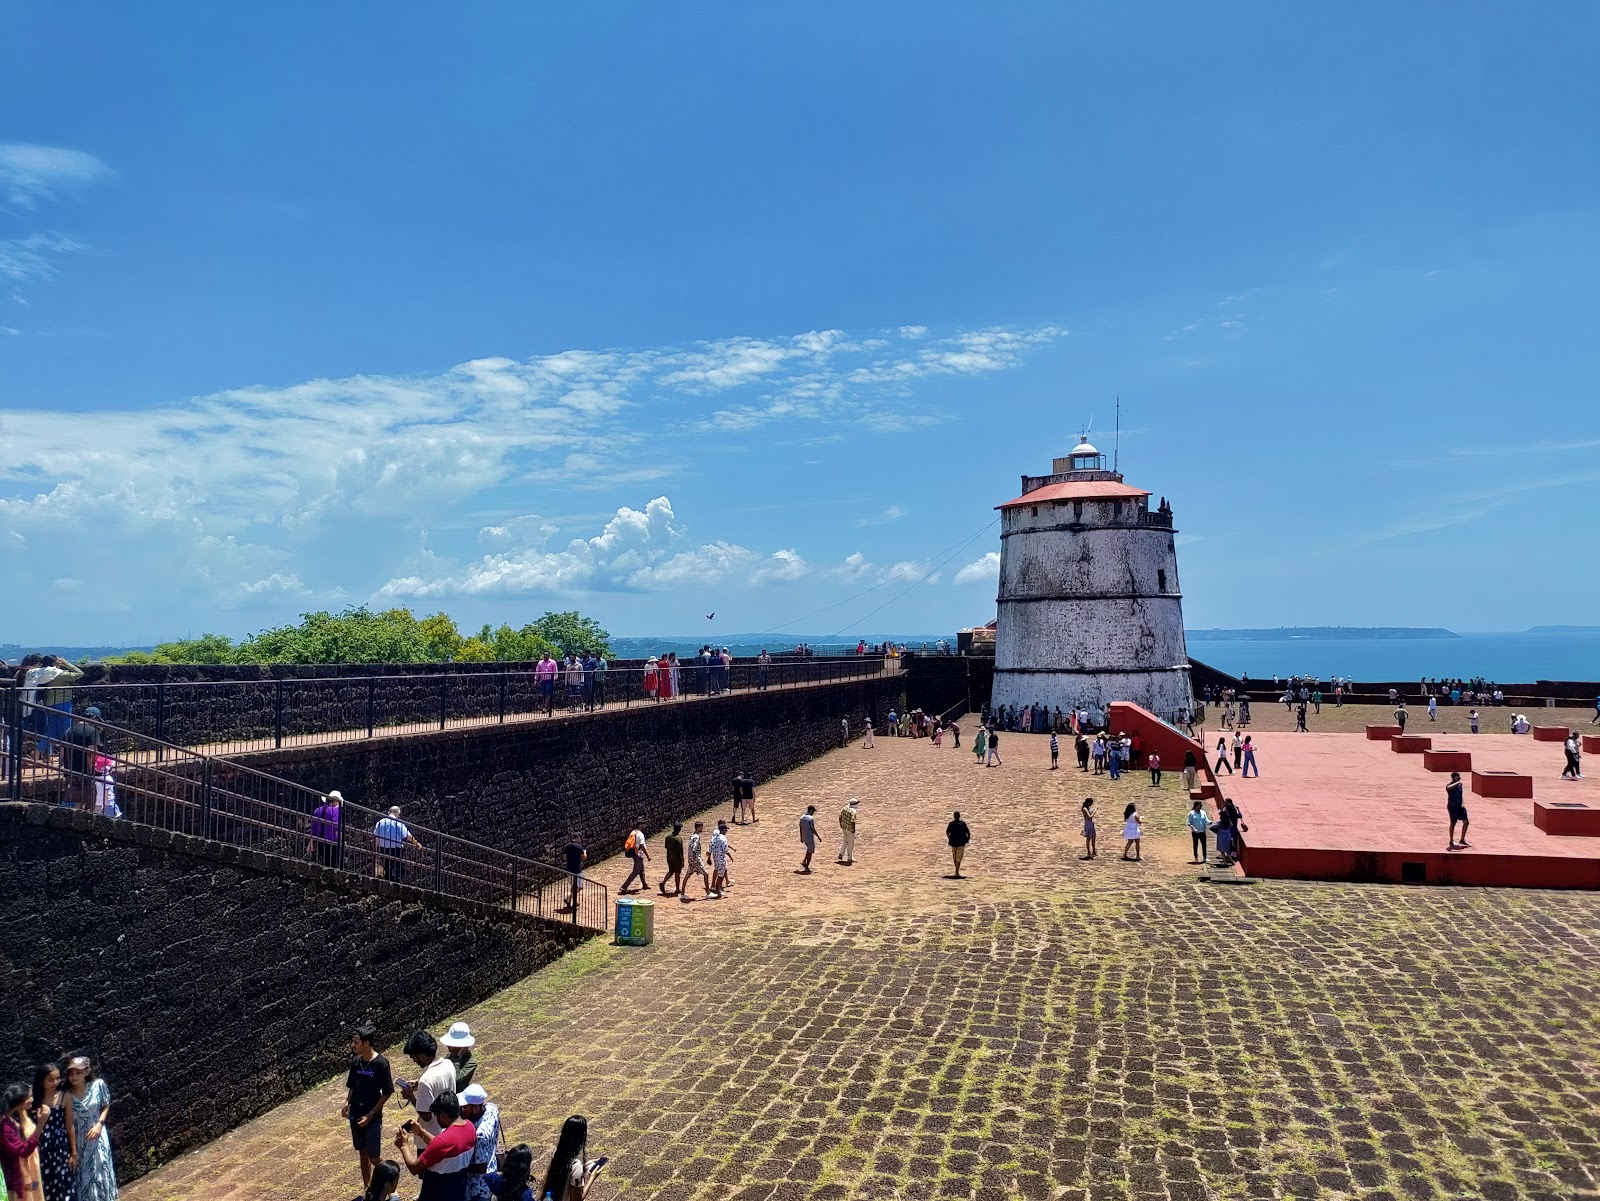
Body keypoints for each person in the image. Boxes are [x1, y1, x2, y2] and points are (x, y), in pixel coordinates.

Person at [396, 1089, 474, 1200]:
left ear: (443, 1115)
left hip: (437, 1192)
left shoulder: (443, 1142)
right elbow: (444, 1149)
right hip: (458, 1190)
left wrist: (403, 1145)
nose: (436, 1119)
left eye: (436, 1116)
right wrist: (421, 1132)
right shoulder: (469, 1127)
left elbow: (414, 1168)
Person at [345, 1023, 395, 1188]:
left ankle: (390, 1181)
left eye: (356, 1042)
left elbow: (387, 1092)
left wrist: (371, 1114)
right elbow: (352, 1085)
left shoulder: (381, 1064)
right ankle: (367, 1188)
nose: (353, 1046)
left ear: (366, 1043)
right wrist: (347, 1103)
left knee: (374, 1158)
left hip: (372, 1117)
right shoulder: (356, 1062)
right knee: (362, 1153)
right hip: (356, 1114)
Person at [64, 1056, 115, 1201]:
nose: (73, 1077)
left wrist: (100, 1124)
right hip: (79, 1138)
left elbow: (106, 1104)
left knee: (101, 1169)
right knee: (84, 1175)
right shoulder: (66, 1095)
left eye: (78, 1073)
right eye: (71, 1073)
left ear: (86, 1072)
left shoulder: (98, 1085)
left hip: (97, 1133)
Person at [397, 1030, 456, 1145]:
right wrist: (418, 1085)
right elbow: (439, 1084)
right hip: (449, 1131)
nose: (413, 1060)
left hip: (429, 1138)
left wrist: (410, 1095)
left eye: (413, 1056)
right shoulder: (448, 1064)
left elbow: (426, 1116)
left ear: (421, 1054)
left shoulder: (426, 1079)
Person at [32, 1063, 72, 1201]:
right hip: (42, 1147)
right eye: (50, 1079)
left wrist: (74, 1153)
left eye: (57, 1078)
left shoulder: (64, 1097)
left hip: (60, 1145)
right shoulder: (34, 1101)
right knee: (45, 1181)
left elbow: (69, 1125)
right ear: (41, 1081)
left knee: (63, 1180)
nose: (55, 1082)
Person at [538, 1115, 603, 1201]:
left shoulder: (557, 1153)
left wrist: (585, 1165)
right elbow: (576, 1199)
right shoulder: (576, 1166)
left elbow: (567, 1168)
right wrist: (592, 1178)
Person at [0, 1082, 43, 1201]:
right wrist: (41, 1124)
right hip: (15, 1179)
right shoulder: (4, 1127)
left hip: (23, 1174)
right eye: (29, 1097)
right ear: (19, 1102)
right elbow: (22, 1151)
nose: (32, 1099)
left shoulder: (10, 1118)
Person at [459, 1084, 501, 1201]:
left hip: (478, 1188)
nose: (461, 1110)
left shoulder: (480, 1135)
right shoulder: (491, 1108)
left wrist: (459, 1168)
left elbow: (480, 1167)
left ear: (475, 1108)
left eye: (465, 1107)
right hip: (492, 1171)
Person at [375, 806, 424, 884]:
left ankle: (388, 881)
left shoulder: (380, 822)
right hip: (395, 849)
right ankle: (396, 882)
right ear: (398, 813)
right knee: (397, 866)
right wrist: (416, 843)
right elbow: (408, 836)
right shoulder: (398, 824)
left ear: (389, 812)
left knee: (387, 866)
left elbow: (376, 837)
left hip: (383, 848)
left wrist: (376, 850)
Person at [310, 789, 346, 868]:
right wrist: (340, 840)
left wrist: (311, 842)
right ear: (336, 801)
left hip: (320, 840)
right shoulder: (336, 811)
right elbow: (336, 827)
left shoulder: (317, 810)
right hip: (332, 842)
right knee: (332, 864)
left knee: (323, 862)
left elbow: (314, 828)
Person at [441, 1023, 479, 1091]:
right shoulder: (451, 1054)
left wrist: (457, 1058)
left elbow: (456, 1078)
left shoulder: (471, 1062)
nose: (448, 1045)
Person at [618, 819, 650, 894]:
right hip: (638, 854)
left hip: (634, 853)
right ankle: (624, 887)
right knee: (636, 871)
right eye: (644, 824)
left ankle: (644, 884)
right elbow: (642, 846)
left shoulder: (633, 832)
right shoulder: (640, 834)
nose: (645, 826)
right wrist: (648, 856)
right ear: (641, 825)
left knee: (641, 870)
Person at [682, 821, 711, 901]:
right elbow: (694, 849)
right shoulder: (697, 837)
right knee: (706, 874)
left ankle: (682, 893)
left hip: (691, 859)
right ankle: (708, 893)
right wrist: (695, 860)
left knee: (687, 875)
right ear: (698, 827)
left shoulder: (692, 835)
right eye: (701, 827)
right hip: (696, 859)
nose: (702, 828)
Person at [561, 834, 587, 915]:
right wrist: (585, 852)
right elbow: (584, 858)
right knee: (580, 887)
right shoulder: (579, 847)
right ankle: (568, 898)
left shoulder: (567, 846)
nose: (580, 840)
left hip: (569, 869)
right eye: (580, 838)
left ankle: (573, 902)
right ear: (577, 838)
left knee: (573, 886)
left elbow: (564, 858)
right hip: (577, 870)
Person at [1446, 771, 1472, 850]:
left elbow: (1461, 795)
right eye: (1457, 777)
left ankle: (1462, 839)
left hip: (1460, 806)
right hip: (1452, 807)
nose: (1458, 779)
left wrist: (1463, 803)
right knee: (1453, 823)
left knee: (1466, 822)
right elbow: (1448, 788)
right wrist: (1457, 783)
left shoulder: (1459, 786)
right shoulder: (1450, 785)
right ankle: (1451, 840)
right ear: (1453, 778)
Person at [659, 822, 685, 896]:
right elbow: (680, 851)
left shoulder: (668, 837)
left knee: (671, 871)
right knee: (677, 873)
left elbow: (666, 847)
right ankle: (677, 889)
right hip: (676, 858)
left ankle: (663, 882)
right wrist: (682, 860)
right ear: (679, 829)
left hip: (669, 857)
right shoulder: (678, 839)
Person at [708, 820, 733, 897]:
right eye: (726, 830)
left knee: (717, 871)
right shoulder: (723, 838)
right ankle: (718, 889)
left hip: (715, 858)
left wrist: (709, 858)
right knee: (721, 875)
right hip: (721, 858)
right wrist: (730, 856)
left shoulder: (714, 838)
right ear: (723, 830)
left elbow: (710, 849)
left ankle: (715, 886)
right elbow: (726, 850)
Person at [946, 810, 970, 879]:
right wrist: (968, 840)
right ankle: (956, 871)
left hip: (953, 843)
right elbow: (968, 832)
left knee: (955, 857)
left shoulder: (951, 824)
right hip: (961, 843)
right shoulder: (962, 824)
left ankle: (956, 871)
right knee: (958, 858)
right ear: (959, 816)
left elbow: (947, 832)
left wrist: (949, 838)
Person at [798, 805, 820, 874]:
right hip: (809, 837)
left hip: (804, 836)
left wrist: (801, 837)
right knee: (810, 851)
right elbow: (813, 829)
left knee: (808, 850)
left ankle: (804, 861)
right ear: (811, 811)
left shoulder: (802, 817)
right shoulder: (810, 818)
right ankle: (807, 866)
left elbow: (800, 828)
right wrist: (818, 837)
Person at [1186, 800, 1209, 864]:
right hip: (1195, 832)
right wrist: (1192, 827)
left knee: (1204, 845)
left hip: (1202, 831)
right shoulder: (1191, 813)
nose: (1200, 807)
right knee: (1195, 845)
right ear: (1196, 806)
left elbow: (1206, 820)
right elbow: (1188, 822)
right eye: (1199, 806)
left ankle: (1204, 857)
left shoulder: (1203, 812)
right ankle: (1196, 857)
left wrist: (1210, 822)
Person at [837, 798, 859, 865]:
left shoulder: (844, 808)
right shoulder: (853, 811)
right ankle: (850, 857)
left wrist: (841, 824)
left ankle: (841, 853)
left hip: (844, 827)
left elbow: (840, 816)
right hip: (850, 829)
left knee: (845, 841)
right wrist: (853, 829)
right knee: (850, 843)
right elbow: (852, 821)